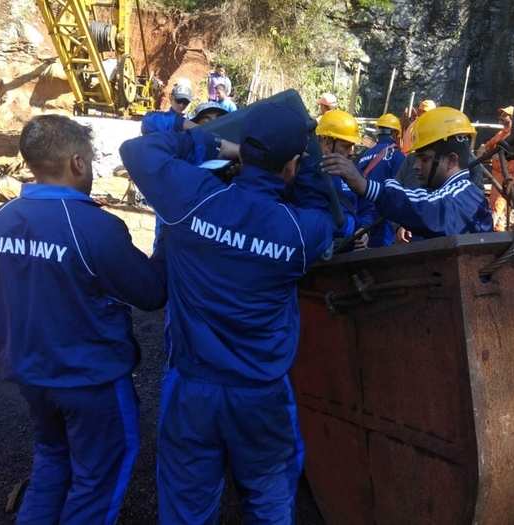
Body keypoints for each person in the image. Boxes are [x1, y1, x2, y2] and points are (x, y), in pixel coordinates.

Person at [119, 101, 335, 524]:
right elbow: (326, 213)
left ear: (244, 151)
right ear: (290, 165)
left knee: (187, 505)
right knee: (268, 501)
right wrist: (304, 165)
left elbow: (137, 151)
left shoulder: (191, 200)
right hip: (261, 395)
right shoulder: (300, 231)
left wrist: (208, 141)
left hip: (191, 388)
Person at [0, 115, 166, 524]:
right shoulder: (95, 227)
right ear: (77, 163)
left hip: (29, 376)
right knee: (98, 479)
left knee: (53, 460)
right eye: (89, 161)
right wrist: (167, 244)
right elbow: (150, 293)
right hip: (92, 383)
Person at [322, 106, 492, 242]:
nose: (416, 166)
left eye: (424, 159)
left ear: (452, 161)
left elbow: (427, 208)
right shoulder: (452, 193)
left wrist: (365, 186)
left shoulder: (463, 196)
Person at [315, 108, 373, 249]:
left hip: (347, 256)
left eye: (352, 146)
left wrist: (363, 230)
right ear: (327, 141)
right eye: (346, 146)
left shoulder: (353, 172)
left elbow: (367, 208)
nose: (351, 152)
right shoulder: (305, 172)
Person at [357, 113, 406, 247]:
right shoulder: (397, 156)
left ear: (378, 133)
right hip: (383, 222)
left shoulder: (363, 155)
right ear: (396, 134)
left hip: (360, 221)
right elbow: (400, 192)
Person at [476, 105, 514, 231]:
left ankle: (489, 230)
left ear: (512, 117)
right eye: (501, 115)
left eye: (504, 115)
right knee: (497, 203)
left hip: (507, 175)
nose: (501, 117)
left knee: (498, 203)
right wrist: (483, 149)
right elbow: (489, 145)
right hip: (497, 173)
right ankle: (498, 229)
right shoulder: (501, 134)